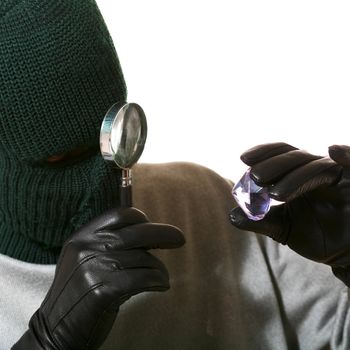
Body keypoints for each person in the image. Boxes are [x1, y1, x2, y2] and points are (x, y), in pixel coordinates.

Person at [0, 1, 349, 349]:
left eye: (114, 136)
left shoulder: (202, 201)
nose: (102, 174)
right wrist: (44, 341)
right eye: (60, 157)